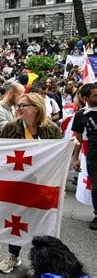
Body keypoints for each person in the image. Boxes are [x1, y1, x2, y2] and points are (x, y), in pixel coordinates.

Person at [0, 93, 61, 274]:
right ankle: (13, 256)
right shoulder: (10, 128)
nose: (18, 109)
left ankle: (37, 263)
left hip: (43, 184)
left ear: (36, 108)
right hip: (17, 183)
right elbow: (0, 154)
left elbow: (57, 158)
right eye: (18, 105)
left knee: (40, 223)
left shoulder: (52, 129)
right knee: (17, 221)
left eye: (23, 105)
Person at [72, 83, 97, 230]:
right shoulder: (81, 115)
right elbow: (78, 138)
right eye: (95, 95)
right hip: (94, 154)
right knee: (96, 187)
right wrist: (76, 158)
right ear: (86, 98)